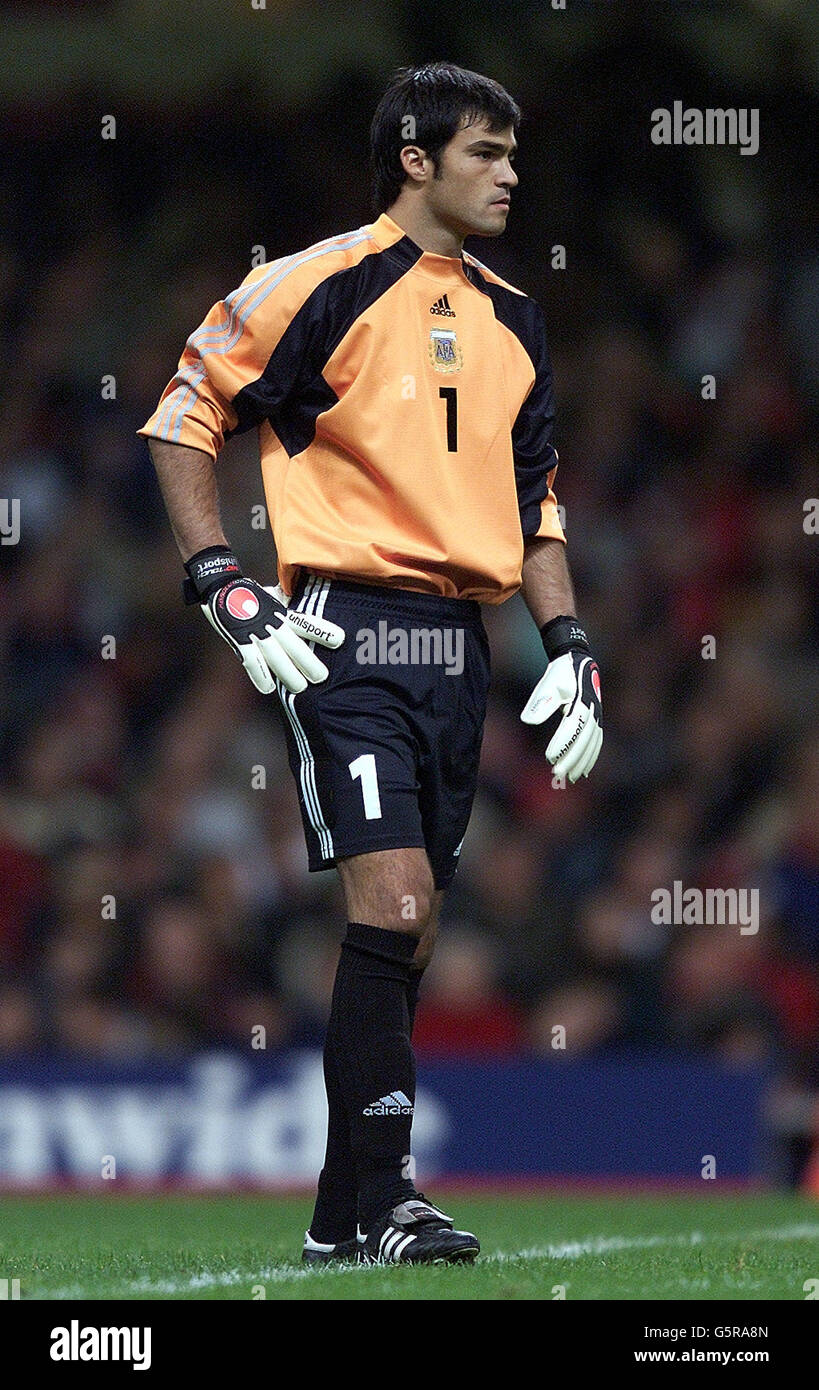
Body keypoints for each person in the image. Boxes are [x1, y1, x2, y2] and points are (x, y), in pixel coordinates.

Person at [138, 61, 602, 1266]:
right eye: (486, 153)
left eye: (512, 153)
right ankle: (395, 1196)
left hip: (462, 644)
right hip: (343, 630)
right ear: (415, 157)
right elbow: (187, 410)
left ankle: (340, 1220)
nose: (511, 174)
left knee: (414, 933)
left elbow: (533, 496)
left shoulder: (513, 313)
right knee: (392, 904)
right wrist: (221, 577)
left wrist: (569, 638)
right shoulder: (318, 281)